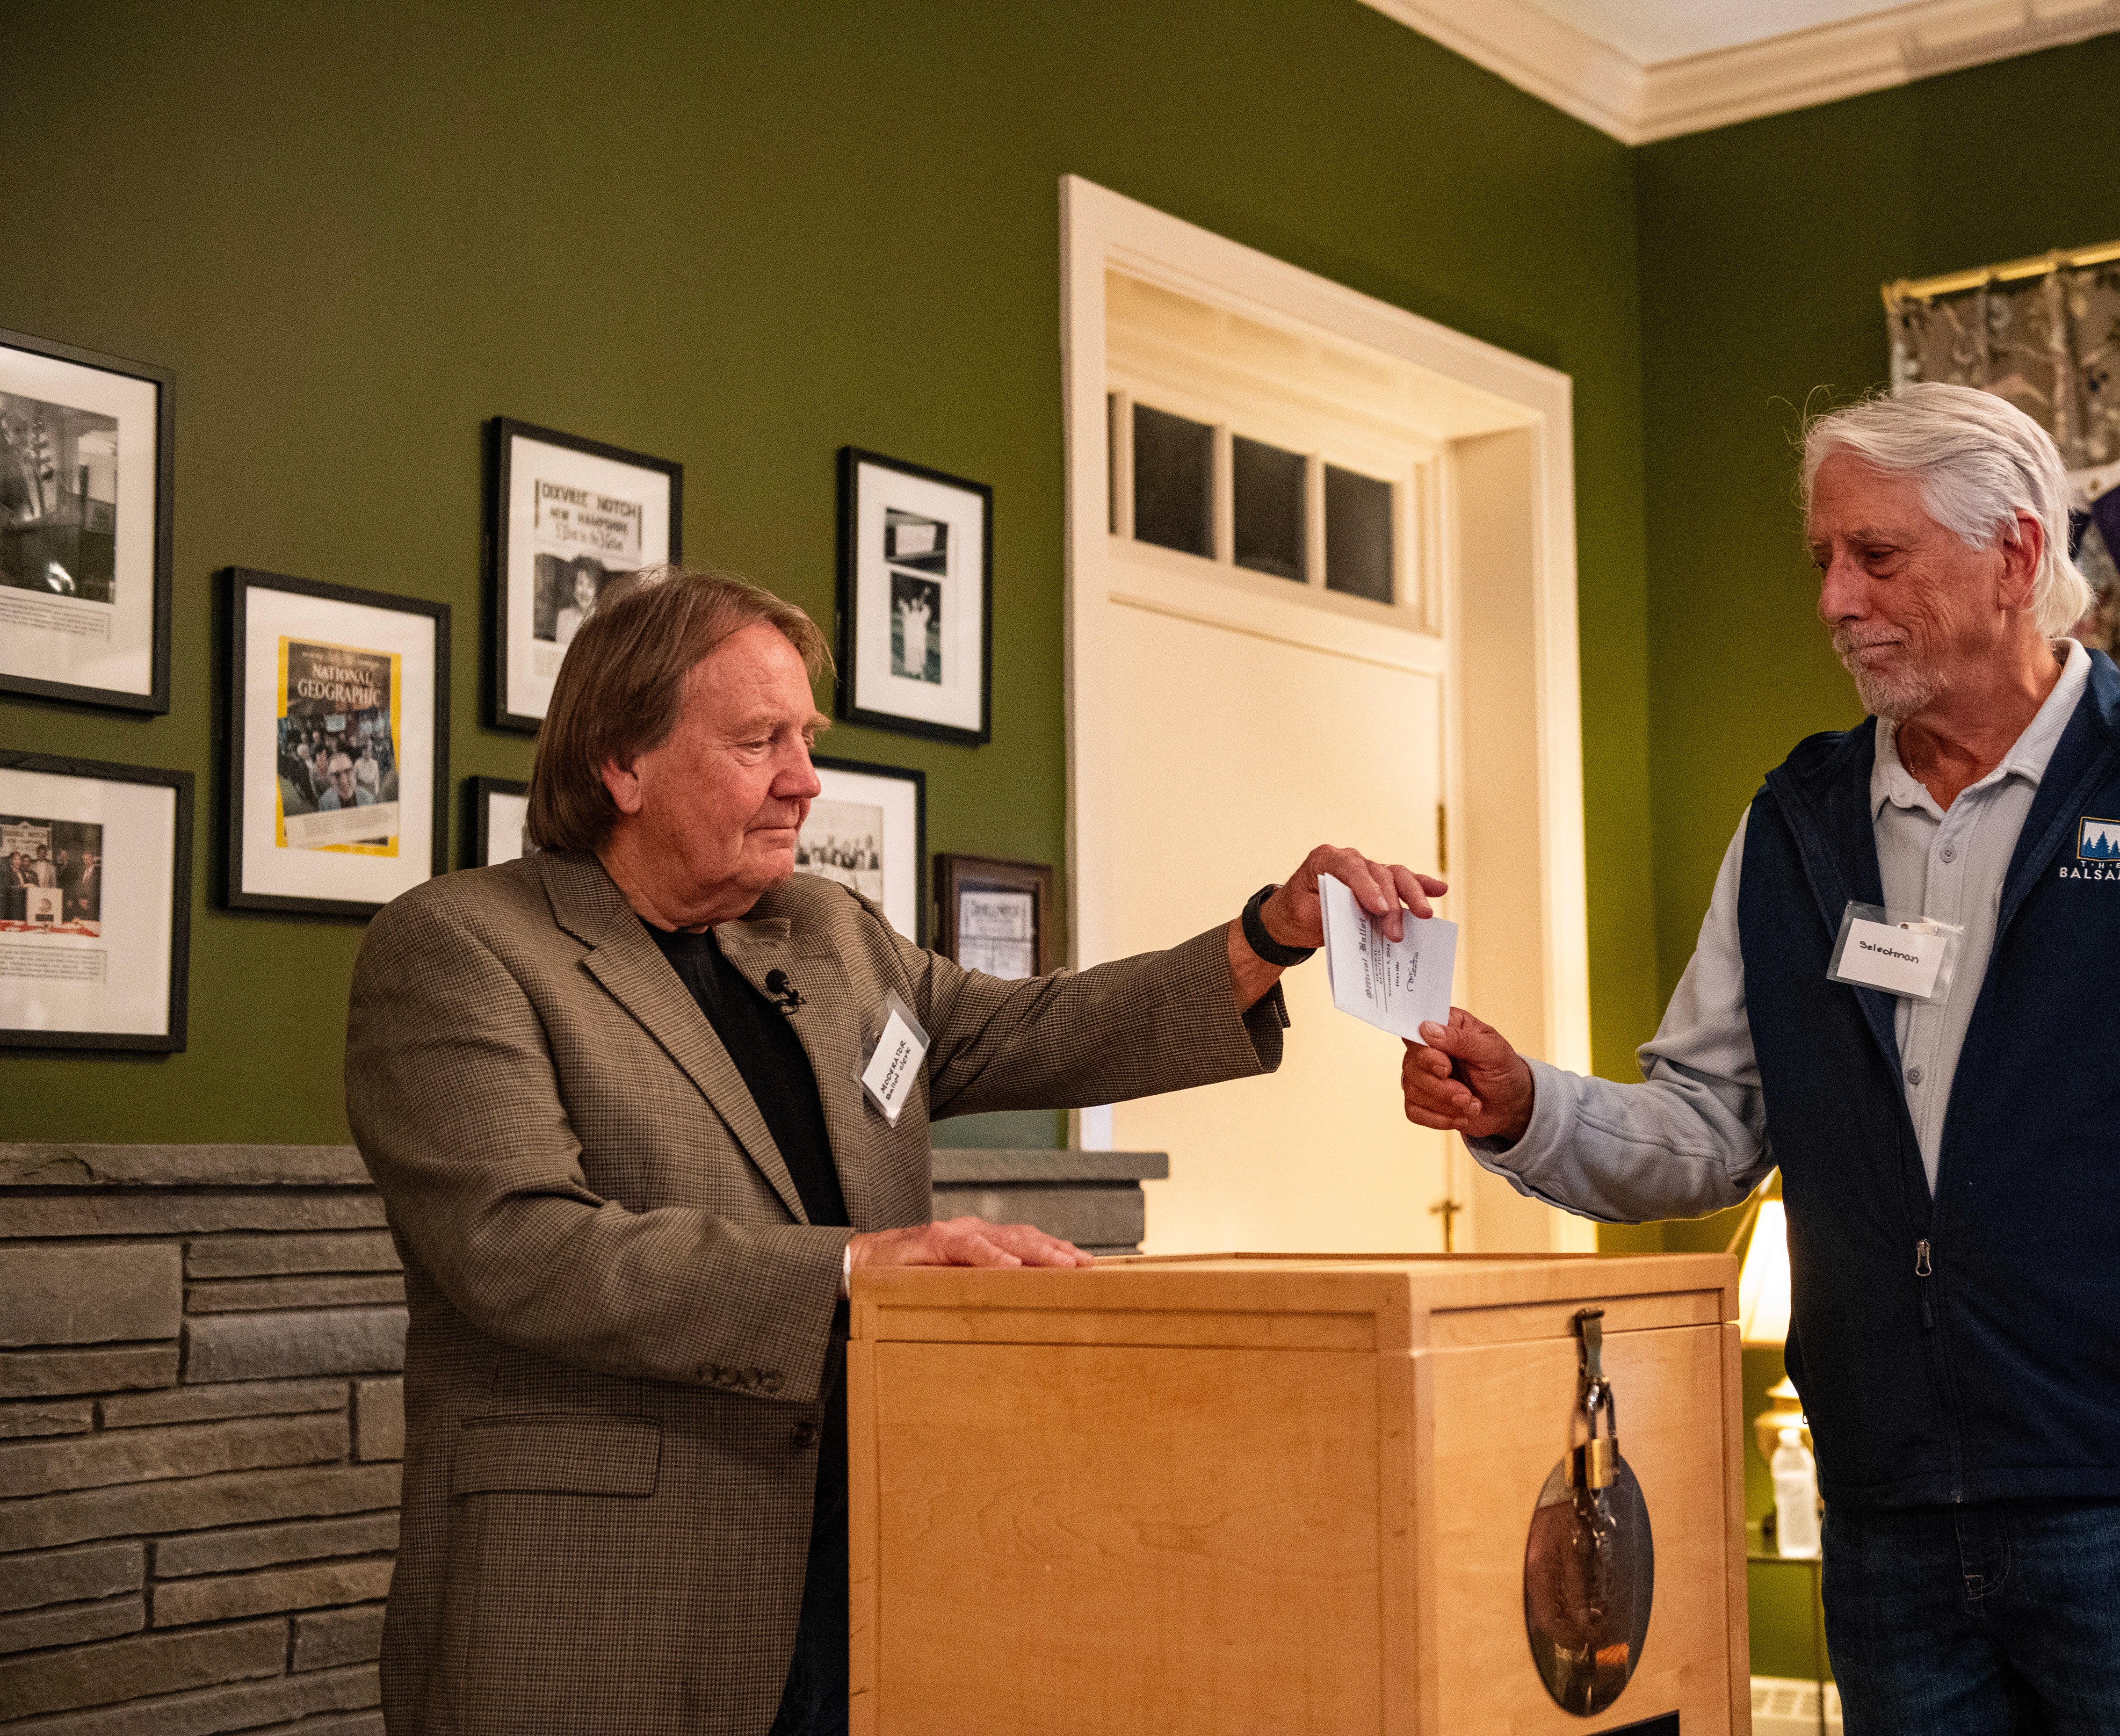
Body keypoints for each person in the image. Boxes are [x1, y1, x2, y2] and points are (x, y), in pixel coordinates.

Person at [1402, 384, 2120, 1731]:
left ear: (2014, 555)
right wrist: (1527, 1109)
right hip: (1888, 1534)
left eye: (1877, 556)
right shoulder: (1797, 823)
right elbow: (1710, 1125)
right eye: (1825, 559)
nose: (1834, 599)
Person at [345, 564, 1436, 1736]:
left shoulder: (826, 932)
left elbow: (1034, 1028)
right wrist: (854, 1273)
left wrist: (1269, 931)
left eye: (805, 737)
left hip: (866, 1559)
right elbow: (518, 1246)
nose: (805, 780)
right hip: (611, 1595)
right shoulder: (462, 945)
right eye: (760, 740)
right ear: (623, 762)